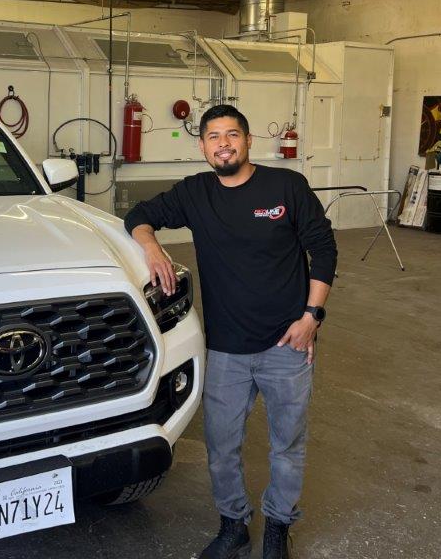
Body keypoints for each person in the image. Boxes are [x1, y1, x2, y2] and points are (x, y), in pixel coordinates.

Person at [123, 105, 337, 559]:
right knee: (221, 448)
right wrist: (153, 249)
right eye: (214, 136)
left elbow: (324, 249)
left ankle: (278, 525)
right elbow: (139, 215)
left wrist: (311, 318)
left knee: (288, 445)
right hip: (226, 349)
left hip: (287, 343)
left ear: (248, 140)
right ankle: (234, 524)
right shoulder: (195, 192)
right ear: (202, 147)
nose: (224, 143)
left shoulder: (286, 186)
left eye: (232, 134)